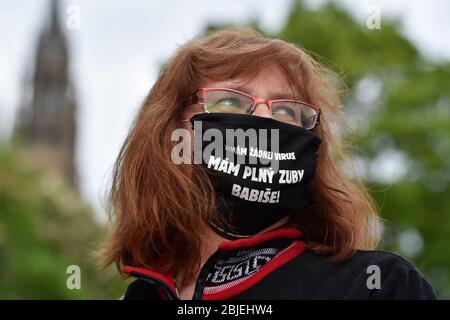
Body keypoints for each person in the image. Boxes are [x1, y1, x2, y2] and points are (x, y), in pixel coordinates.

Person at [99, 28, 436, 300]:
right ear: (173, 133)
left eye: (287, 110)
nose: (265, 120)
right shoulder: (140, 296)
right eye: (231, 100)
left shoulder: (377, 286)